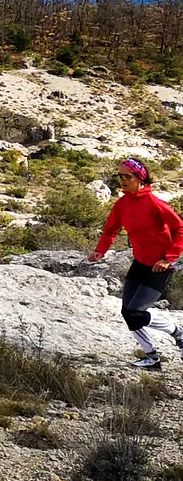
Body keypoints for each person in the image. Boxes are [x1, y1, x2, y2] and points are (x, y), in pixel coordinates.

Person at [87, 157, 183, 370]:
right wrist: (99, 252)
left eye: (126, 176)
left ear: (139, 178)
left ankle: (178, 333)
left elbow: (180, 229)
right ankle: (152, 358)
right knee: (128, 313)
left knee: (135, 312)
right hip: (139, 264)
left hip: (160, 267)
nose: (122, 180)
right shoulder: (122, 204)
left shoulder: (156, 204)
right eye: (119, 176)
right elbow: (111, 230)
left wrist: (168, 258)